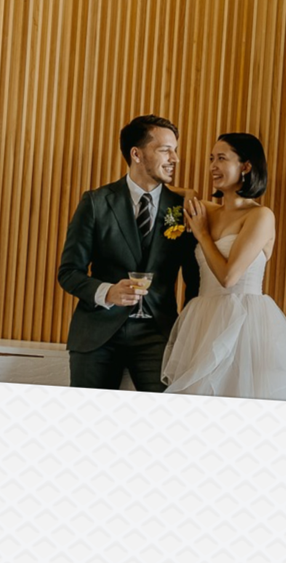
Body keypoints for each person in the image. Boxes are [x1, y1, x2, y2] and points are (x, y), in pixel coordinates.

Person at [160, 133, 286, 404]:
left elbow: (229, 277)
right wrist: (187, 193)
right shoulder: (209, 211)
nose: (212, 167)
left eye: (222, 158)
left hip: (245, 321)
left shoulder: (261, 216)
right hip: (203, 319)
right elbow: (175, 196)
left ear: (246, 166)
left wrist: (203, 235)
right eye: (211, 159)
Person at [55, 116, 200, 391]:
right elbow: (68, 272)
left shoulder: (182, 209)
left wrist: (186, 334)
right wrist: (107, 292)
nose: (175, 159)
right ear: (136, 154)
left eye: (175, 150)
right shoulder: (96, 203)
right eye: (165, 150)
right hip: (96, 333)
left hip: (158, 335)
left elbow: (194, 282)